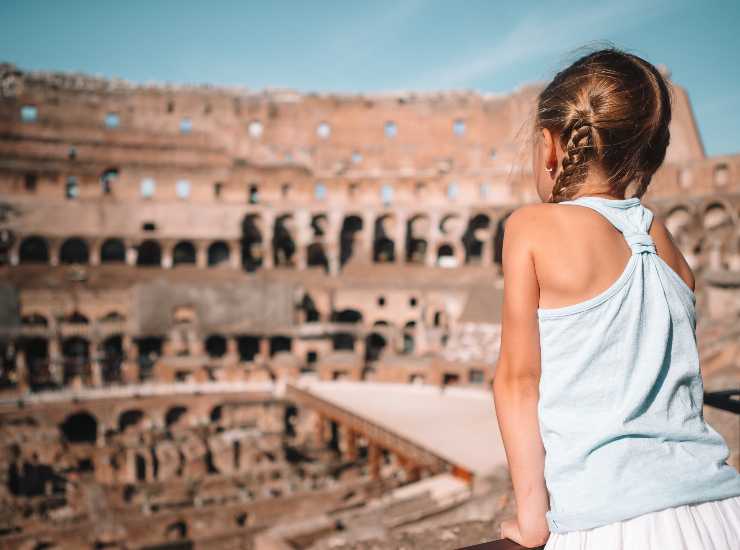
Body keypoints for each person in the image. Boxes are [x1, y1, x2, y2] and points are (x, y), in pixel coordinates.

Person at [491, 46, 740, 549]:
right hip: (721, 511)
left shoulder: (531, 228)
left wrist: (534, 519)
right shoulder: (665, 241)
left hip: (611, 520)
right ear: (649, 151)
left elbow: (518, 384)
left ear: (551, 145)